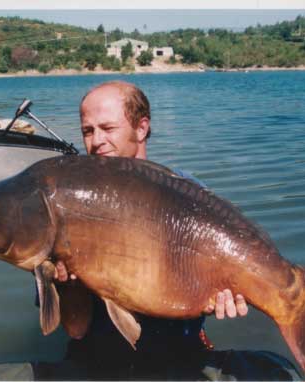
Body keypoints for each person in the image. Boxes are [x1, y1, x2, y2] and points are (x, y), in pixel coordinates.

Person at [42, 80, 248, 380]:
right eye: (88, 131)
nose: (96, 141)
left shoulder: (188, 193)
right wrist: (69, 284)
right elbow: (75, 328)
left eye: (107, 128)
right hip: (98, 358)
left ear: (141, 128)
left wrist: (223, 295)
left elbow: (214, 281)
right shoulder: (66, 204)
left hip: (180, 353)